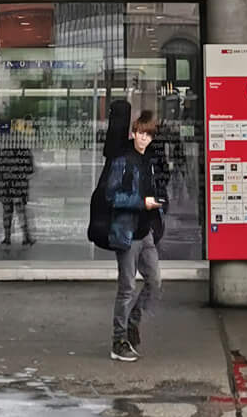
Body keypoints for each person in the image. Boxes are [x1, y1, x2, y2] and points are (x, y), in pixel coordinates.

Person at [102, 111, 165, 362]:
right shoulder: (123, 160)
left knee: (155, 281)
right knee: (127, 288)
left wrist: (158, 206)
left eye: (148, 134)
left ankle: (131, 323)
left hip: (145, 233)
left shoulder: (147, 160)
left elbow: (153, 190)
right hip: (127, 233)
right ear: (134, 132)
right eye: (140, 133)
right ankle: (118, 341)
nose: (143, 138)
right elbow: (111, 196)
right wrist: (143, 203)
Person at [0, 118, 36, 247]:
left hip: (6, 185)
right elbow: (30, 169)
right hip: (19, 185)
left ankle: (7, 238)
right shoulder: (24, 151)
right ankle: (25, 237)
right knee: (20, 211)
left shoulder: (4, 151)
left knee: (7, 211)